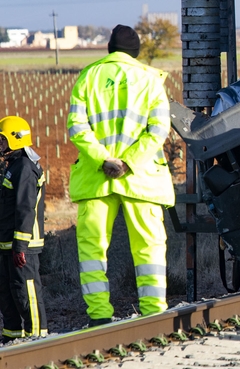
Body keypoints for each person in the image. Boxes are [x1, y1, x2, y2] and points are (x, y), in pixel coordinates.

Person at [67, 24, 173, 326]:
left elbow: (77, 128)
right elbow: (158, 130)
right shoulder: (150, 79)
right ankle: (154, 314)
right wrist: (128, 162)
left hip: (95, 178)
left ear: (110, 50)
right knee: (149, 247)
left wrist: (105, 160)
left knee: (92, 249)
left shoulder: (88, 76)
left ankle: (99, 317)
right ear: (136, 52)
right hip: (142, 179)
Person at [0, 116, 47, 342]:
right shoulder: (13, 166)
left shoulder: (25, 168)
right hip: (8, 244)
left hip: (23, 246)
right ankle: (13, 339)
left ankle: (37, 339)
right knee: (8, 294)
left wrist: (20, 246)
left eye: (2, 140)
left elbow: (25, 209)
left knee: (25, 292)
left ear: (15, 139)